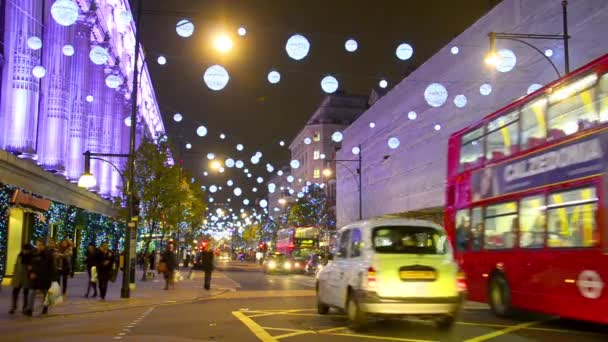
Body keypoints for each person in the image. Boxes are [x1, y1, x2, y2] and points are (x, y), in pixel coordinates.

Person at [25, 239, 57, 316]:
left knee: (45, 292)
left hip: (44, 277)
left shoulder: (47, 254)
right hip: (36, 277)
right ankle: (30, 309)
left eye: (40, 245)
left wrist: (35, 272)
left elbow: (45, 266)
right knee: (32, 292)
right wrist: (31, 272)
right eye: (37, 245)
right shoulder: (35, 253)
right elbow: (31, 263)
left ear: (43, 245)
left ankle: (45, 307)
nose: (38, 246)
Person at [9, 244, 33, 314]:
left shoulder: (31, 257)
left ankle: (24, 307)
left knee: (26, 292)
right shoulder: (19, 255)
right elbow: (16, 265)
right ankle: (13, 307)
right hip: (18, 277)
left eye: (26, 250)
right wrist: (14, 277)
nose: (25, 251)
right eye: (24, 249)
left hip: (26, 277)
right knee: (15, 291)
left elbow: (32, 267)